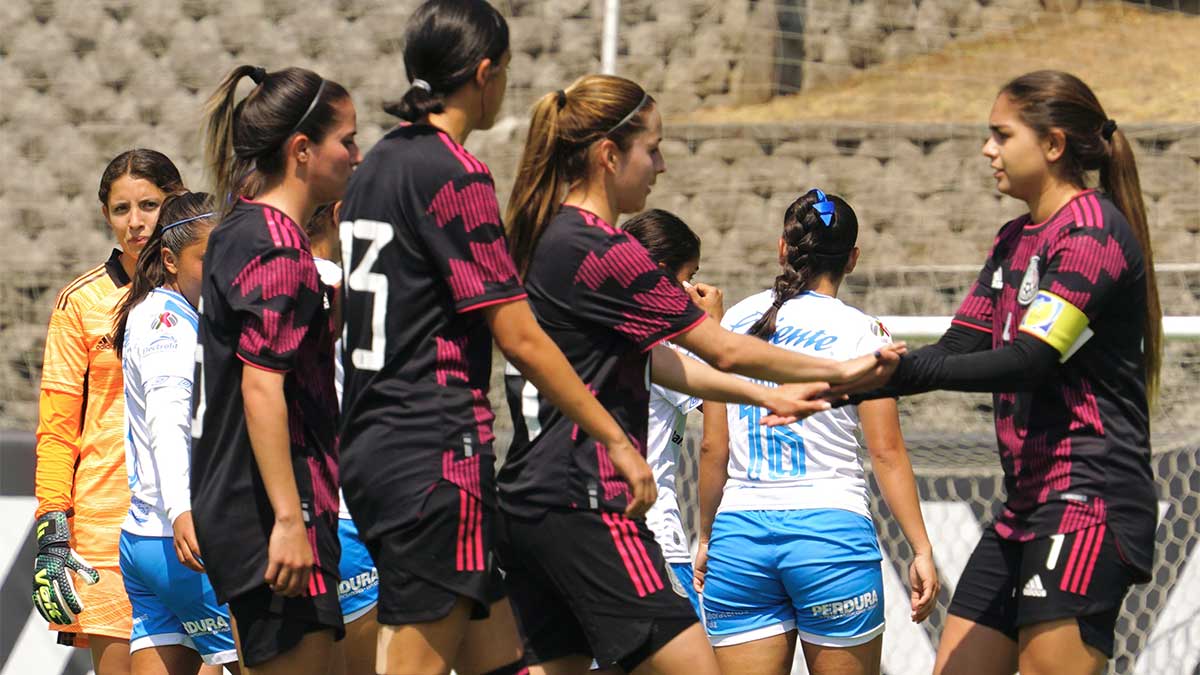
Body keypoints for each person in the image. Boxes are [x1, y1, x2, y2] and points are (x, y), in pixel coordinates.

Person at [497, 74, 904, 675]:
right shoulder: (607, 251)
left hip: (526, 503)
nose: (660, 166)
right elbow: (725, 350)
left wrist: (769, 392)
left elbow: (669, 363)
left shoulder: (539, 238)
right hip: (588, 503)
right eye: (653, 148)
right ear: (610, 155)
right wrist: (841, 369)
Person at [853, 71, 1160, 675]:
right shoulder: (1014, 237)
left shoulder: (1092, 233)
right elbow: (961, 345)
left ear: (1052, 145)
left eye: (1000, 134)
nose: (987, 150)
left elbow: (1030, 360)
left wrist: (895, 376)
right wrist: (855, 377)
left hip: (1087, 499)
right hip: (1026, 503)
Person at [694, 189, 939, 675]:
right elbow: (886, 453)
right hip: (829, 538)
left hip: (739, 537)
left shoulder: (731, 322)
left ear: (783, 248)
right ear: (852, 258)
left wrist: (706, 536)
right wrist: (921, 549)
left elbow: (712, 445)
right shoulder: (863, 333)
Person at [194, 64, 361, 673]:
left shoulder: (242, 225)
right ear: (301, 150)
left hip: (245, 502)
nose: (356, 155)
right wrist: (290, 520)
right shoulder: (275, 247)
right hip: (271, 511)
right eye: (346, 139)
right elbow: (261, 386)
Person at [33, 149, 184, 675]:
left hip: (193, 516)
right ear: (105, 215)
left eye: (149, 205)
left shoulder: (206, 289)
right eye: (122, 209)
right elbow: (56, 430)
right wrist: (52, 529)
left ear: (175, 203)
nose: (137, 221)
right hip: (105, 529)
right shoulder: (79, 302)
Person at [112, 192, 240, 675]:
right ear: (169, 260)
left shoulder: (165, 311)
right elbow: (168, 423)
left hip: (145, 540)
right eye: (209, 259)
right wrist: (183, 509)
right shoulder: (171, 326)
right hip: (183, 539)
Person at [620, 209, 711, 615]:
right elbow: (723, 412)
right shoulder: (660, 337)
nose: (690, 288)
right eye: (687, 276)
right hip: (652, 535)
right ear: (659, 273)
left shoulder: (596, 322)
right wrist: (713, 325)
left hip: (589, 532)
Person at [303, 202, 380, 675]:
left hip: (290, 518)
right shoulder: (340, 286)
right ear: (338, 214)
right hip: (350, 512)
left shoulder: (257, 280)